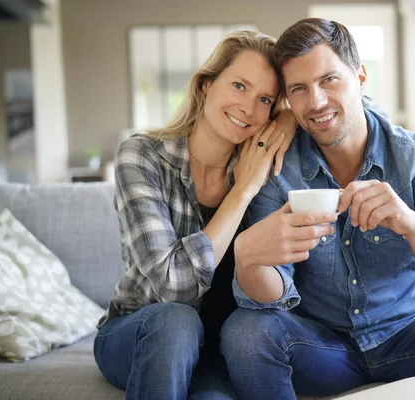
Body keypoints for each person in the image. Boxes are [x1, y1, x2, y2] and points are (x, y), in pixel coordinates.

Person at [220, 18, 415, 400]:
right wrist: (250, 262)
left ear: (361, 77)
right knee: (244, 331)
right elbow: (269, 298)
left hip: (414, 339)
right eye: (299, 89)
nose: (316, 102)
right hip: (323, 349)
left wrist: (413, 226)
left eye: (329, 80)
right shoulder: (278, 170)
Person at [93, 30, 299, 400]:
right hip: (142, 330)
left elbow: (343, 104)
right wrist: (242, 191)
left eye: (264, 99)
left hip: (218, 348)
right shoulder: (142, 157)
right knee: (176, 320)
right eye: (238, 86)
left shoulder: (264, 157)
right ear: (205, 85)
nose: (248, 109)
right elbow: (175, 288)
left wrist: (289, 119)